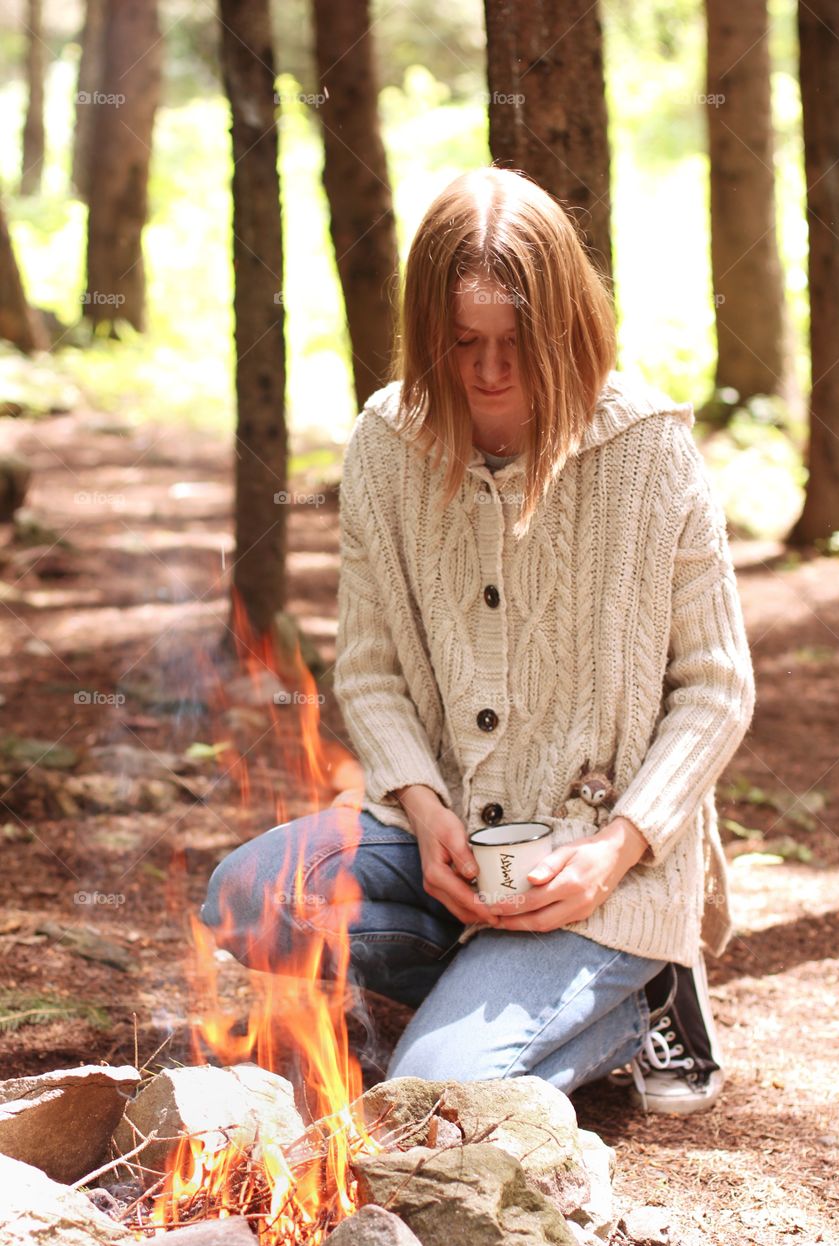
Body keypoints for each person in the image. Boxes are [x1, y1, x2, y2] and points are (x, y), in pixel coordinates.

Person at [201, 165, 755, 1115]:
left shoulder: (649, 450)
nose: (490, 372)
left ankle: (644, 992)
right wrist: (424, 811)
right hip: (442, 849)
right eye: (463, 343)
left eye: (516, 344)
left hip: (602, 867)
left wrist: (616, 850)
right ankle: (492, 983)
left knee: (430, 1095)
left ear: (564, 329)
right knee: (247, 894)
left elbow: (716, 687)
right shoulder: (388, 442)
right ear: (428, 334)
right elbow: (368, 671)